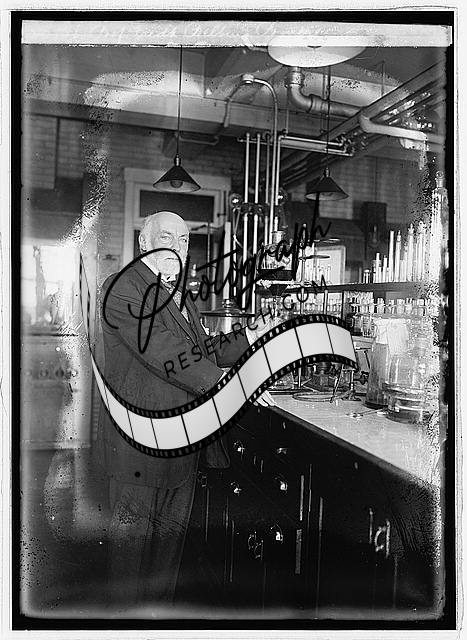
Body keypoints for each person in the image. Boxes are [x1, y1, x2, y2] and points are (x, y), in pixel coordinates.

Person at [95, 210, 273, 611]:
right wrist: (230, 385)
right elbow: (166, 352)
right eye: (167, 237)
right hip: (139, 450)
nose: (177, 247)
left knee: (166, 558)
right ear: (144, 242)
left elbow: (199, 350)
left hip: (181, 447)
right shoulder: (122, 288)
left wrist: (249, 336)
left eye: (184, 239)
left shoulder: (178, 295)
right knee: (130, 560)